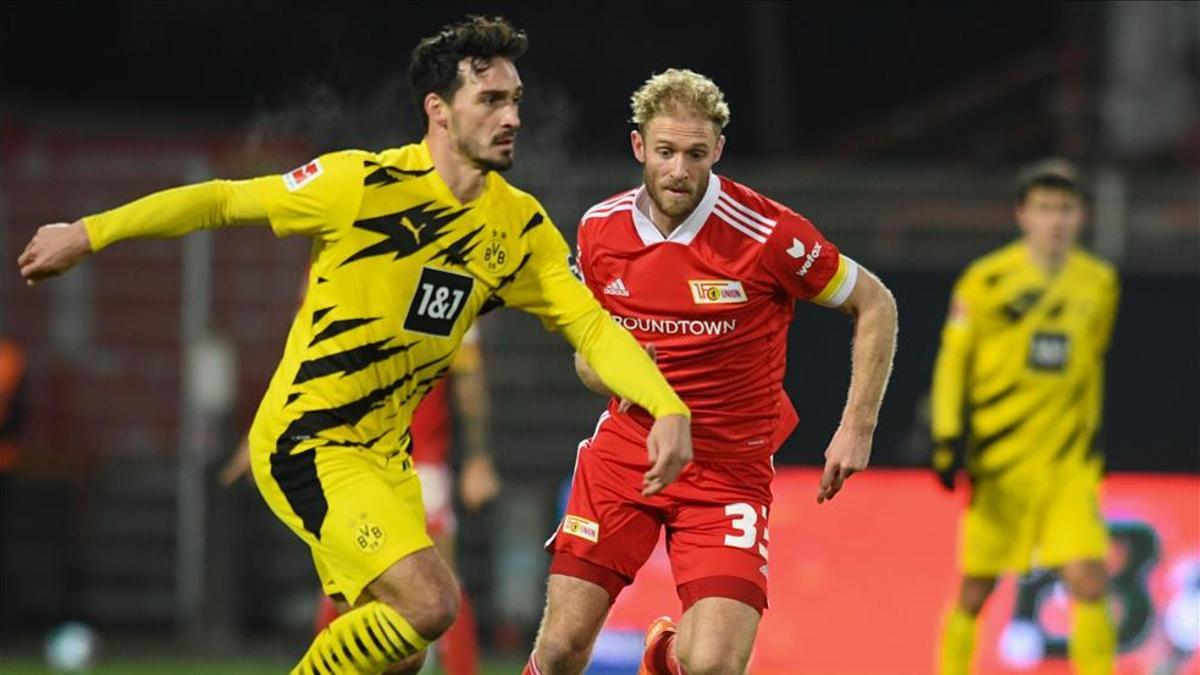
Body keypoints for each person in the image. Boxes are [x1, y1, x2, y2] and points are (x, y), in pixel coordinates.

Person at [17, 16, 692, 674]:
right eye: (489, 99)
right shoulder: (359, 186)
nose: (510, 116)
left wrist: (667, 405)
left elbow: (594, 328)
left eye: (514, 99)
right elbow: (221, 200)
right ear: (439, 110)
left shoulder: (518, 229)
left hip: (384, 458)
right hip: (308, 440)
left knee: (401, 651)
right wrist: (87, 233)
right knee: (432, 601)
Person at [524, 69, 899, 675]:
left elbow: (875, 301)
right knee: (563, 647)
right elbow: (586, 356)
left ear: (717, 151)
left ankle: (663, 657)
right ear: (639, 146)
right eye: (666, 152)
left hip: (728, 469)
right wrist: (614, 373)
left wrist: (857, 426)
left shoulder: (768, 233)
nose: (679, 170)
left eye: (695, 154)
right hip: (627, 455)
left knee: (713, 665)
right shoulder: (600, 229)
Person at [931, 168, 1120, 675]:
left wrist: (1092, 438)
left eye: (1065, 210)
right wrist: (947, 434)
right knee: (976, 589)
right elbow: (954, 360)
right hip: (1001, 462)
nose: (1055, 221)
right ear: (1022, 215)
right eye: (1044, 209)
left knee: (1089, 581)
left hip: (1067, 464)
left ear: (1081, 217)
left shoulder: (1099, 283)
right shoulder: (986, 279)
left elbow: (1092, 360)